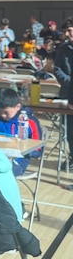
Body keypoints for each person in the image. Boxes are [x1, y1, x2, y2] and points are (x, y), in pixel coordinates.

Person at [0, 88, 42, 176]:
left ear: (17, 107)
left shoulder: (29, 122)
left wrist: (23, 149)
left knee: (3, 172)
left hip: (17, 161)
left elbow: (37, 150)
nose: (2, 115)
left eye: (6, 112)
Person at [53, 17, 73, 163]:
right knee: (69, 129)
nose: (66, 34)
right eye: (65, 31)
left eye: (69, 31)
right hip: (67, 93)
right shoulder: (63, 48)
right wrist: (69, 82)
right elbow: (57, 69)